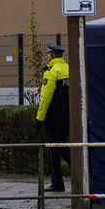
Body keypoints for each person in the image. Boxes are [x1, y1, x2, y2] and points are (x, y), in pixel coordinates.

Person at [36, 43, 71, 192]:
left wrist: (39, 118)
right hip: (68, 117)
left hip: (53, 119)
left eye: (47, 54)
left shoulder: (51, 72)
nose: (46, 56)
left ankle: (57, 183)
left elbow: (46, 98)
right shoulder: (69, 69)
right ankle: (83, 175)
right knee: (66, 149)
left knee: (52, 152)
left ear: (52, 55)